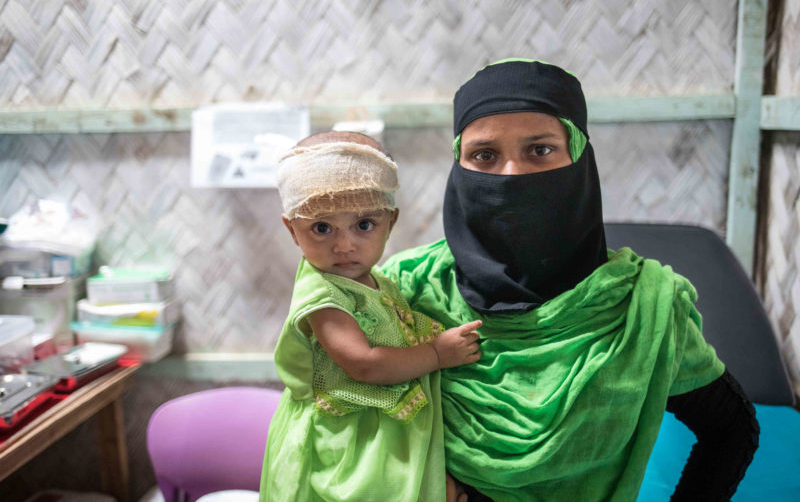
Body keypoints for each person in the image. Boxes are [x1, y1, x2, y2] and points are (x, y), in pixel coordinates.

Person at [382, 59, 760, 501]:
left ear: (579, 157)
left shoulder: (640, 309)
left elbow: (731, 432)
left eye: (539, 150)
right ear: (458, 164)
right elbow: (341, 415)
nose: (511, 175)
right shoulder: (406, 291)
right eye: (484, 155)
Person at [260, 130, 482, 502]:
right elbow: (363, 365)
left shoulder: (377, 280)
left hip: (379, 435)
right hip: (347, 446)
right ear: (292, 230)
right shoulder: (323, 296)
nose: (344, 245)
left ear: (390, 222)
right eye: (321, 227)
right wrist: (438, 355)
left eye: (364, 225)